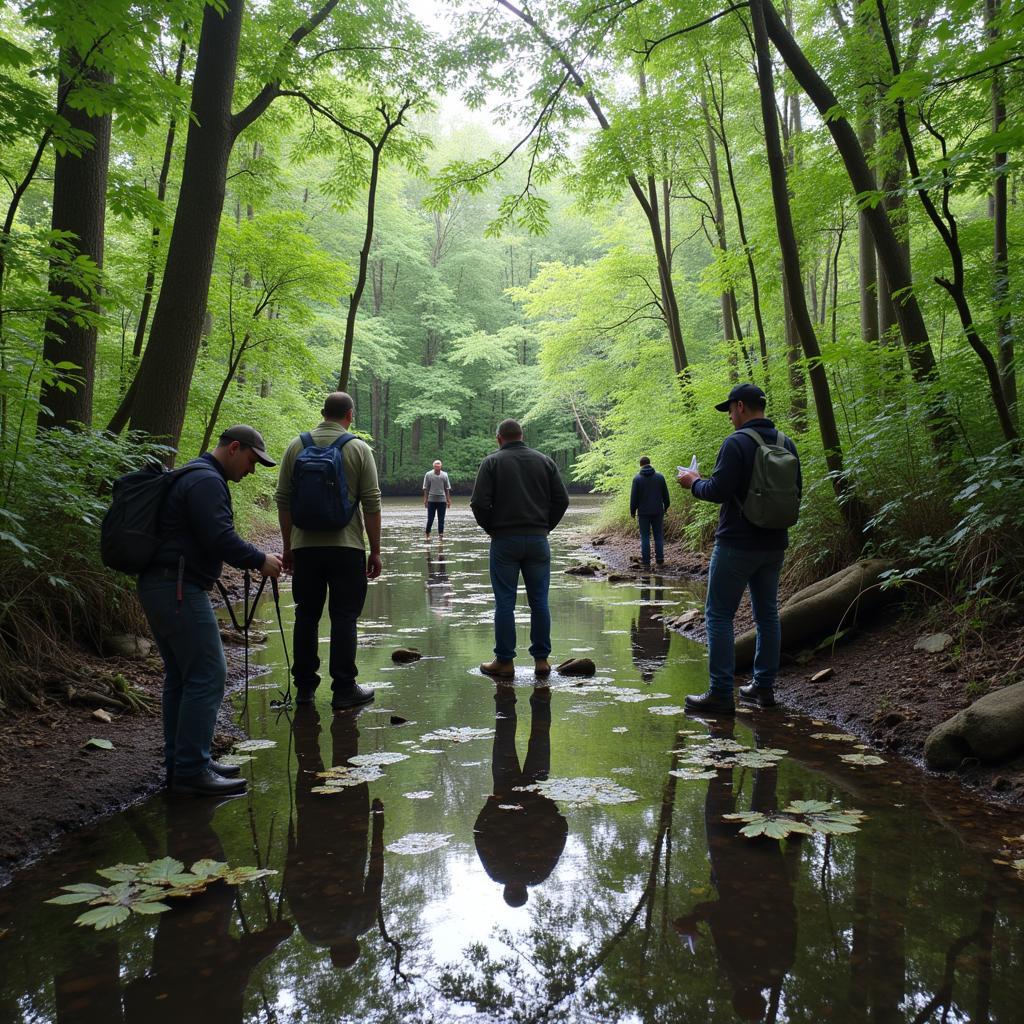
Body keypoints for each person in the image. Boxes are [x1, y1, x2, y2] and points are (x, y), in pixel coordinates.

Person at [137, 426, 282, 797]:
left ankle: (184, 762)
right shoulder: (206, 481)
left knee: (181, 677)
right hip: (179, 590)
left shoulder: (190, 473)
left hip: (162, 586)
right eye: (251, 461)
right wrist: (259, 559)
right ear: (234, 448)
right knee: (207, 673)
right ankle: (191, 770)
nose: (251, 470)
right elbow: (218, 537)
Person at [676, 383, 801, 714]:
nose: (729, 417)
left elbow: (717, 491)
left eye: (730, 410)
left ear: (742, 406)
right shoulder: (786, 442)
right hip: (774, 543)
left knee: (718, 614)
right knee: (767, 615)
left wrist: (693, 483)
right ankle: (763, 688)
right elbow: (796, 491)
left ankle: (719, 693)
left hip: (736, 544)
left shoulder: (736, 443)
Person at [673, 717, 799, 1020]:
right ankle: (721, 737)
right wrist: (692, 919)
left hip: (770, 871)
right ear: (736, 998)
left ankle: (764, 742)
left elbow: (787, 913)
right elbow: (725, 914)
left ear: (762, 1003)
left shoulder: (781, 966)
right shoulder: (738, 969)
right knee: (718, 801)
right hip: (733, 871)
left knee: (763, 801)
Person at [276, 392, 382, 711]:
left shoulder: (296, 446)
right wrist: (374, 550)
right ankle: (344, 689)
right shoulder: (358, 448)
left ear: (323, 413)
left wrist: (288, 546)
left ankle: (305, 690)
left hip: (306, 548)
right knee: (344, 617)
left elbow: (283, 500)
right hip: (346, 548)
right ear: (350, 415)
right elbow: (372, 503)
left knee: (306, 615)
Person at [284, 707, 385, 970]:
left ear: (355, 945)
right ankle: (304, 710)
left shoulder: (363, 923)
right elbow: (292, 883)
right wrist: (291, 838)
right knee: (308, 762)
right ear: (332, 952)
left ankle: (344, 713)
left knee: (348, 758)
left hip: (351, 832)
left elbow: (375, 875)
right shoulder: (311, 933)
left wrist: (378, 822)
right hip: (311, 833)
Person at [470, 419, 570, 678]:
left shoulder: (491, 462)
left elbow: (478, 503)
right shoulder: (544, 461)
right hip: (538, 540)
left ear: (499, 438)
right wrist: (545, 526)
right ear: (521, 436)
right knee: (539, 601)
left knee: (505, 602)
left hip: (504, 541)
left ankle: (504, 662)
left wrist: (491, 528)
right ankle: (541, 661)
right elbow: (562, 499)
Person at [474, 685, 567, 907]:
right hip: (514, 795)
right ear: (508, 891)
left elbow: (560, 834)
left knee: (539, 741)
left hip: (530, 797)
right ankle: (508, 698)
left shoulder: (537, 873)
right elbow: (481, 834)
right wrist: (492, 805)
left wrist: (551, 808)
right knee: (506, 739)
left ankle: (538, 698)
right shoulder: (499, 872)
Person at [630, 456, 670, 567]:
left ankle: (646, 562)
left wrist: (632, 511)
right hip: (658, 511)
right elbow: (666, 496)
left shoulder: (637, 479)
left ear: (640, 465)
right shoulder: (660, 477)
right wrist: (665, 507)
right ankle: (660, 559)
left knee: (645, 536)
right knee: (658, 535)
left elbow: (634, 498)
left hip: (643, 513)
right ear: (650, 463)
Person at [422, 459, 452, 541]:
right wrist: (425, 500)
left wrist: (448, 500)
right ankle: (427, 533)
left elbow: (447, 488)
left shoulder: (444, 475)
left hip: (442, 500)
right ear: (433, 467)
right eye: (436, 466)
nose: (437, 468)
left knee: (441, 519)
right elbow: (426, 488)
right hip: (431, 500)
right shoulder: (428, 474)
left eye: (438, 466)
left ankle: (441, 535)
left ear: (441, 467)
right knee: (430, 519)